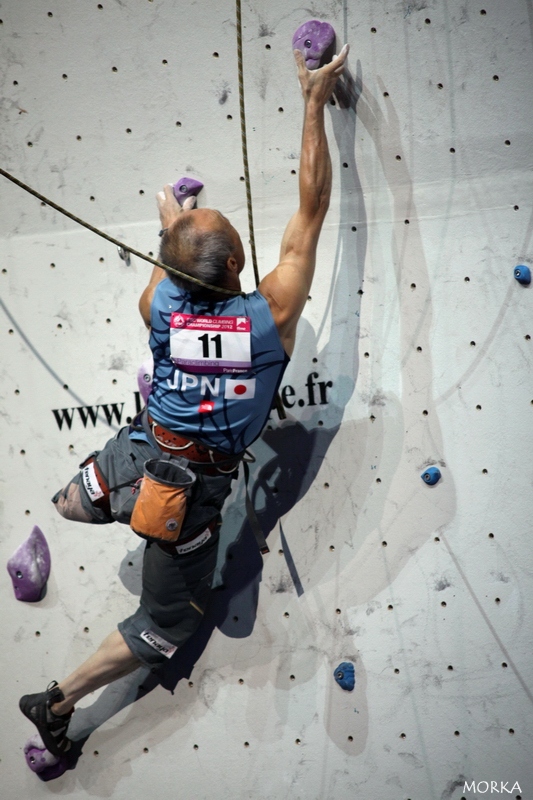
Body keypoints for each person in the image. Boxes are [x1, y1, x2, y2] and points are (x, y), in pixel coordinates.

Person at [19, 43, 349, 758]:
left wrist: (173, 222)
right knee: (164, 627)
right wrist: (313, 100)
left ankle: (92, 492)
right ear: (237, 265)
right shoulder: (271, 316)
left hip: (137, 451)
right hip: (187, 496)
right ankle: (55, 703)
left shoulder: (159, 306)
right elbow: (311, 208)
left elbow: (172, 266)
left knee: (72, 503)